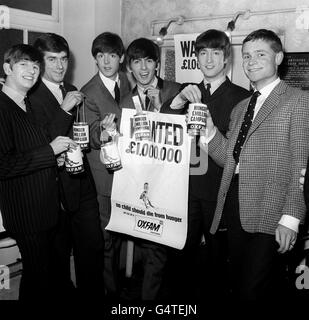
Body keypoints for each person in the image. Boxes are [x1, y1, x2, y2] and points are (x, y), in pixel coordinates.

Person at [200, 29, 309, 300]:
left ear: (279, 58)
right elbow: (230, 159)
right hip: (236, 207)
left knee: (255, 289)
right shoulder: (241, 108)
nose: (251, 61)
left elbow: (301, 163)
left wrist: (291, 218)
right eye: (247, 56)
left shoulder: (298, 100)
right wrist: (210, 132)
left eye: (261, 54)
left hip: (273, 210)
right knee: (238, 284)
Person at [167, 29, 250, 299]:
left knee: (217, 261)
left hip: (219, 192)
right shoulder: (188, 92)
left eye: (216, 53)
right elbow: (163, 125)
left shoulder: (241, 97)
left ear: (226, 58)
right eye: (203, 53)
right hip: (185, 190)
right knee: (180, 257)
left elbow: (239, 152)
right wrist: (177, 101)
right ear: (196, 58)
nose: (209, 59)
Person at [28, 33, 104, 300]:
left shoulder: (72, 89)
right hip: (53, 190)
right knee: (57, 261)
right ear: (39, 62)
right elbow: (42, 144)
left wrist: (99, 133)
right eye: (52, 60)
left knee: (92, 251)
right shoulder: (30, 96)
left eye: (63, 59)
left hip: (82, 183)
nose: (60, 66)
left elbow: (81, 133)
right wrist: (64, 108)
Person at [0, 44, 75, 300]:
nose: (31, 71)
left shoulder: (26, 103)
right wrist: (50, 152)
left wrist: (57, 159)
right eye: (23, 65)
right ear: (8, 68)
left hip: (44, 209)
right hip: (26, 213)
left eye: (34, 65)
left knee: (41, 276)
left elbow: (31, 150)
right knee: (38, 280)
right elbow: (3, 164)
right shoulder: (2, 107)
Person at [119, 37, 181, 300]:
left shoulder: (176, 90)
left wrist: (161, 109)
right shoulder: (125, 100)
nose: (143, 68)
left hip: (172, 180)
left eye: (148, 61)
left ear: (157, 64)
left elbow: (189, 137)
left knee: (167, 245)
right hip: (142, 181)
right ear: (130, 67)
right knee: (150, 241)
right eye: (136, 62)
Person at [81, 32, 131, 298]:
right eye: (100, 56)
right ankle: (111, 293)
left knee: (125, 230)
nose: (106, 61)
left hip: (130, 172)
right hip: (105, 178)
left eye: (112, 55)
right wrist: (101, 132)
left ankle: (122, 281)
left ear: (121, 58)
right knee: (108, 238)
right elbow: (87, 132)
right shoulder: (88, 92)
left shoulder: (128, 80)